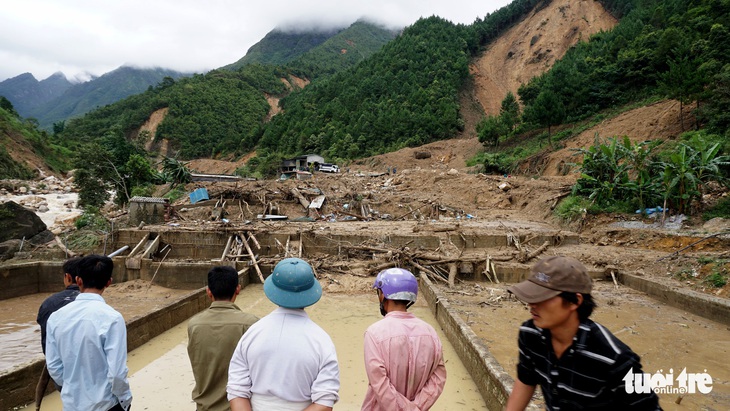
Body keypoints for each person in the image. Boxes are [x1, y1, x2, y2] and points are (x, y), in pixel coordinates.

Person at [505, 255, 662, 411]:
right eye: (531, 295)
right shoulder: (530, 334)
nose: (531, 304)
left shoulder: (615, 360)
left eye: (542, 297)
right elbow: (526, 380)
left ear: (575, 301)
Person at [227, 257, 340, 411]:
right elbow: (325, 401)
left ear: (273, 291)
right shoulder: (321, 340)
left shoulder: (253, 333)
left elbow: (237, 390)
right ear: (310, 293)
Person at [45, 254, 133, 411]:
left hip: (72, 404)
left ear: (78, 280)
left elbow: (54, 367)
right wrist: (125, 399)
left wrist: (73, 390)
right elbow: (117, 374)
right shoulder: (112, 318)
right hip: (106, 404)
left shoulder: (55, 318)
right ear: (109, 282)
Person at [362, 268, 446, 411]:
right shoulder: (430, 332)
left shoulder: (374, 333)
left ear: (382, 295)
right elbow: (438, 378)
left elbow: (380, 383)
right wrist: (416, 407)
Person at [188, 266, 259, 411]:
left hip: (204, 407)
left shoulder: (194, 325)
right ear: (238, 289)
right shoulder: (251, 324)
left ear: (208, 291)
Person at [35, 257, 81, 409]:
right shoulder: (93, 303)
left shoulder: (49, 303)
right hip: (88, 369)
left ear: (67, 277)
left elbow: (46, 345)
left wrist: (64, 382)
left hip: (61, 371)